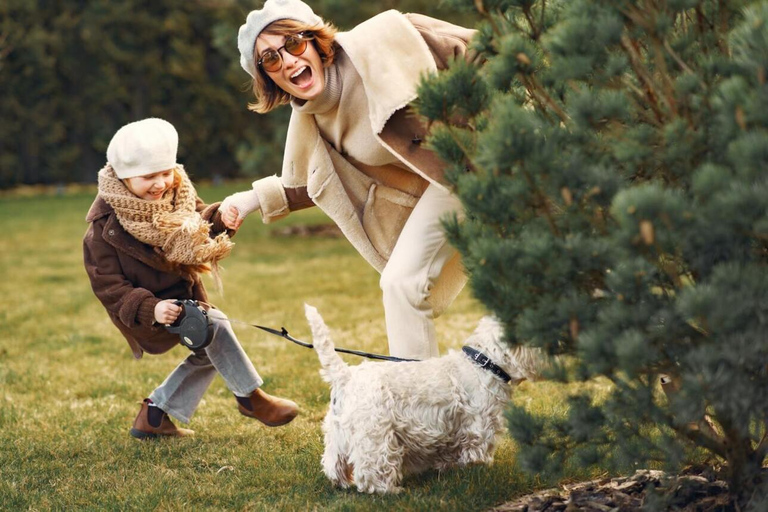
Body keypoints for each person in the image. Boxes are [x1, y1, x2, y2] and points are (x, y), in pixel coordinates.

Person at [221, 0, 477, 360]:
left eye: (293, 43)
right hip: (449, 186)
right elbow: (312, 181)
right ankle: (422, 403)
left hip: (492, 158)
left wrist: (510, 126)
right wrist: (246, 201)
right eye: (271, 60)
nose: (289, 61)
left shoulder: (383, 39)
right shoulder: (312, 121)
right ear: (267, 77)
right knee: (400, 283)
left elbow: (482, 52)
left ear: (314, 40)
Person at [83, 118, 298, 439]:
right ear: (123, 176)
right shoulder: (104, 228)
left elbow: (198, 223)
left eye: (165, 173)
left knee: (210, 348)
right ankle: (250, 398)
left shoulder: (177, 194)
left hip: (185, 295)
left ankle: (154, 416)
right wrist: (150, 308)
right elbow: (108, 286)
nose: (160, 184)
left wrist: (220, 217)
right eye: (148, 177)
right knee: (214, 326)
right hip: (147, 309)